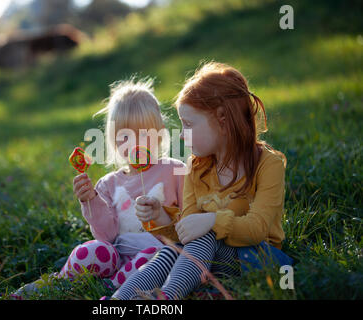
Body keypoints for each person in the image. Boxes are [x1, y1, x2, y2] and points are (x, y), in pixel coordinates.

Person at [111, 61, 293, 300]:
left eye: (188, 124)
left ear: (223, 120)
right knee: (174, 249)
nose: (182, 134)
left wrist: (212, 220)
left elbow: (257, 229)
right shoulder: (197, 167)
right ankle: (118, 300)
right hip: (209, 259)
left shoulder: (268, 164)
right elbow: (186, 231)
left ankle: (166, 299)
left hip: (257, 258)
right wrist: (161, 216)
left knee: (206, 234)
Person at [11, 78, 185, 299]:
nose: (134, 144)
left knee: (152, 256)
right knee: (92, 249)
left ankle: (111, 288)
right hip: (117, 253)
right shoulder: (108, 184)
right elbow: (107, 235)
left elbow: (189, 217)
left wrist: (163, 215)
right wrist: (90, 199)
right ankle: (60, 281)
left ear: (160, 134)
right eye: (124, 137)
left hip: (158, 256)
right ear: (112, 139)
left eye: (143, 134)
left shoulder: (174, 170)